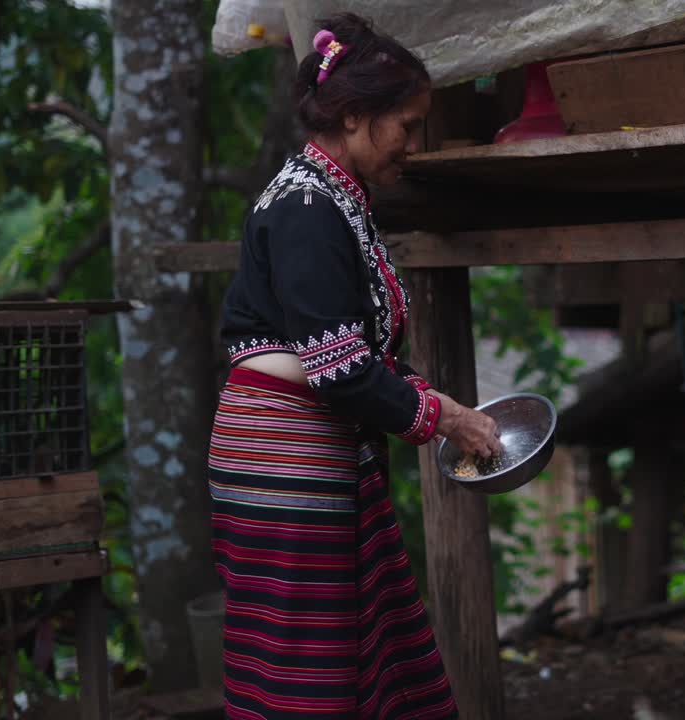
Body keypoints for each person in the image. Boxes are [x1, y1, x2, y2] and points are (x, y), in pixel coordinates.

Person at [209, 12, 499, 719]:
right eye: (406, 124)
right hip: (285, 462)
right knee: (308, 670)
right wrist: (447, 417)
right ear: (357, 115)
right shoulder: (310, 207)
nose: (412, 143)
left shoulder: (335, 196)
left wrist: (421, 396)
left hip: (304, 454)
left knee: (362, 649)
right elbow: (339, 370)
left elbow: (344, 352)